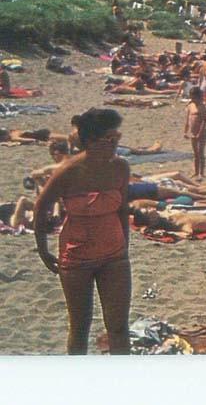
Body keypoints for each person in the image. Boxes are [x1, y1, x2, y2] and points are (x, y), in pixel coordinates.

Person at [33, 108, 131, 354]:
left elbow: (122, 208)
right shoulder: (68, 171)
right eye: (108, 140)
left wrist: (125, 246)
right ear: (90, 141)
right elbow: (40, 207)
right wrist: (43, 250)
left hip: (115, 256)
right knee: (80, 327)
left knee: (118, 328)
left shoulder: (120, 167)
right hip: (77, 258)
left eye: (116, 138)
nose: (114, 145)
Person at [183, 86, 206, 179]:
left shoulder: (202, 107)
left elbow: (204, 121)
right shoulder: (190, 105)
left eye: (195, 97)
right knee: (195, 153)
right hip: (193, 132)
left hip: (201, 133)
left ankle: (202, 172)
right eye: (192, 97)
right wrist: (185, 131)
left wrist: (200, 133)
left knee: (201, 153)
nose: (193, 99)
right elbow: (188, 119)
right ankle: (196, 172)